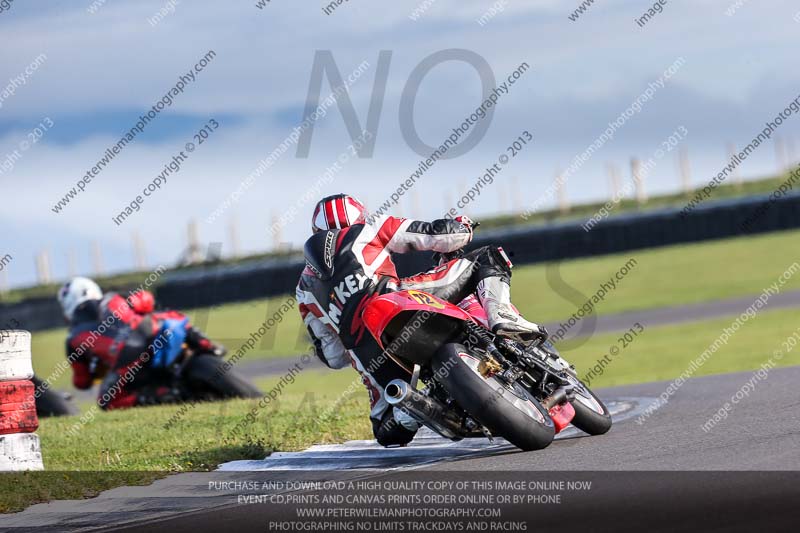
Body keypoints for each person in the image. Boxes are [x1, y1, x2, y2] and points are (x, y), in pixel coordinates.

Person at [296, 194, 546, 447]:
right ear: (358, 217)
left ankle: (413, 406)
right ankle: (502, 315)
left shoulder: (303, 289)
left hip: (366, 351)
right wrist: (463, 228)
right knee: (488, 257)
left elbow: (333, 356)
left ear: (315, 230)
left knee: (386, 429)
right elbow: (438, 236)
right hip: (397, 300)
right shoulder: (369, 227)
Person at [57, 277, 223, 410]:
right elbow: (145, 299)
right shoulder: (113, 298)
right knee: (169, 316)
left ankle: (159, 395)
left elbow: (82, 382)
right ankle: (206, 344)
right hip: (152, 331)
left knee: (105, 400)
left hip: (126, 359)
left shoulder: (73, 338)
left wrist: (95, 368)